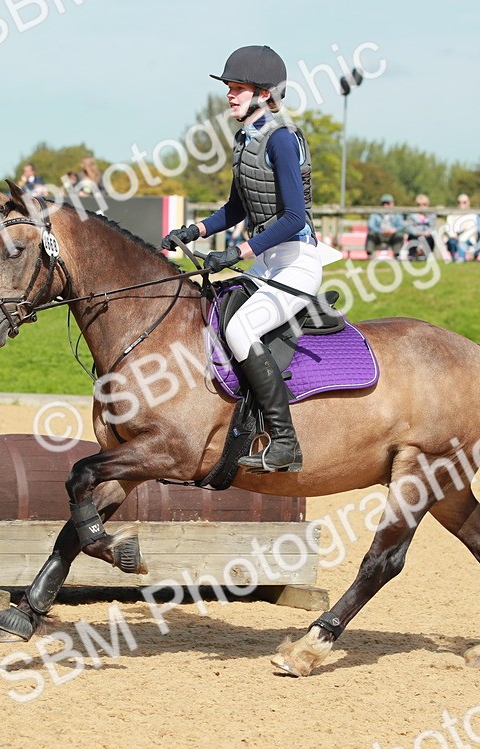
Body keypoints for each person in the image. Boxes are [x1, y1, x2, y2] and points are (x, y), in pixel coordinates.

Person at [160, 45, 318, 474]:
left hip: (296, 262)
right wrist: (194, 231)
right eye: (229, 88)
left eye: (238, 89)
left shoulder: (282, 138)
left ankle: (286, 442)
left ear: (265, 94)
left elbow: (293, 218)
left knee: (240, 327)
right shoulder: (245, 137)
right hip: (267, 262)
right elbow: (236, 209)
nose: (229, 96)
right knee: (212, 314)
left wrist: (238, 251)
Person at [443, 194, 476, 262]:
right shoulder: (452, 214)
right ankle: (453, 258)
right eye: (459, 202)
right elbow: (448, 227)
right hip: (454, 237)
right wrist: (453, 236)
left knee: (462, 243)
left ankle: (461, 258)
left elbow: (471, 229)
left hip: (468, 239)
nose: (462, 204)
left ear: (468, 202)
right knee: (452, 242)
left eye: (464, 202)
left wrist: (461, 238)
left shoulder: (473, 215)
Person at [404, 194, 438, 260]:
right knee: (412, 237)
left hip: (427, 236)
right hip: (415, 235)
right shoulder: (412, 216)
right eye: (419, 204)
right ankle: (412, 256)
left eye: (424, 204)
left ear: (427, 205)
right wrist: (417, 233)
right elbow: (409, 228)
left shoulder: (431, 215)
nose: (421, 207)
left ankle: (428, 255)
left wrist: (426, 233)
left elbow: (432, 227)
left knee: (431, 238)